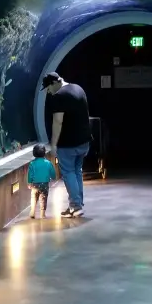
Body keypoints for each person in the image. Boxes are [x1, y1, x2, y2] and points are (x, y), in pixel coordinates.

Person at [42, 72, 91, 217]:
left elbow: (58, 121)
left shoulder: (59, 96)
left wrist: (54, 144)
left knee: (68, 172)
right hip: (84, 140)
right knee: (77, 171)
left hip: (68, 143)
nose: (49, 92)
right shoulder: (78, 88)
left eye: (48, 88)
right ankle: (76, 205)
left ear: (54, 83)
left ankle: (75, 206)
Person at [27, 144, 56, 219]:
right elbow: (53, 173)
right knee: (43, 198)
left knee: (34, 197)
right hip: (45, 184)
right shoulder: (48, 163)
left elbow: (30, 174)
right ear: (44, 153)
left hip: (35, 185)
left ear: (34, 153)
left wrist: (29, 182)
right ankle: (42, 214)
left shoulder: (32, 163)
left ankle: (32, 211)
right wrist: (53, 178)